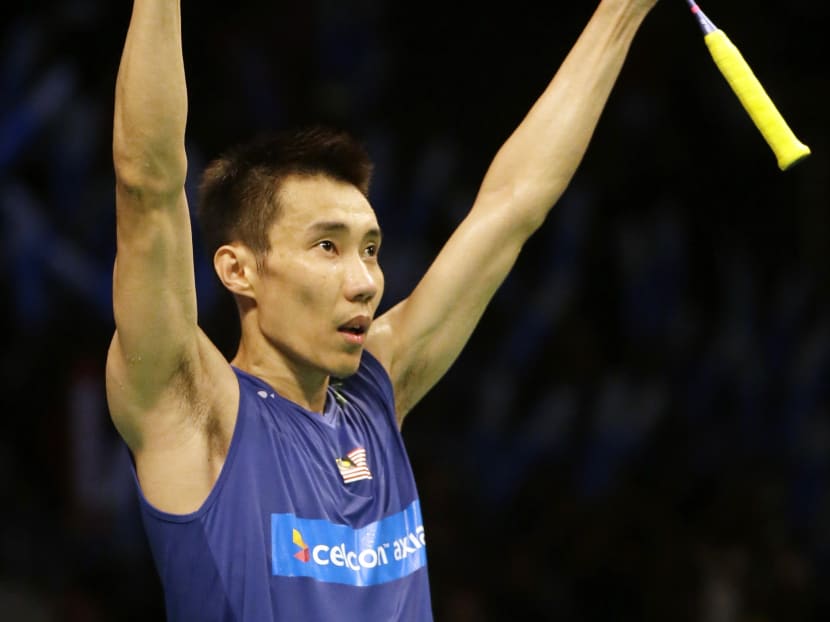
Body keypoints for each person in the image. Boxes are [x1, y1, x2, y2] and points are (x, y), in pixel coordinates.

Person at [107, 0, 660, 620]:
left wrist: (623, 11)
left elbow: (515, 204)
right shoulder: (193, 410)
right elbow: (147, 183)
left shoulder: (376, 388)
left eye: (371, 249)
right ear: (239, 269)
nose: (366, 281)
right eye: (327, 246)